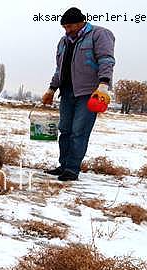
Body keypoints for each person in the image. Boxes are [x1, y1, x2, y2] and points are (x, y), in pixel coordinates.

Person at [42, 7, 115, 181]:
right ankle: (64, 165)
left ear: (80, 22)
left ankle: (72, 169)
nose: (67, 30)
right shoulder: (63, 42)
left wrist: (104, 84)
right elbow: (60, 68)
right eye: (65, 27)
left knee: (78, 131)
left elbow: (106, 59)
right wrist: (52, 89)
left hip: (89, 93)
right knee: (64, 130)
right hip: (67, 92)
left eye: (70, 26)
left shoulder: (99, 34)